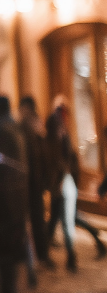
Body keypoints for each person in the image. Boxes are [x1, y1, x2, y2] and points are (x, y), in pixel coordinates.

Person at [46, 99, 105, 271]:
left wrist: (62, 180)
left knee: (67, 220)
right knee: (65, 218)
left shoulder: (60, 137)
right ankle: (49, 253)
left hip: (63, 184)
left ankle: (69, 255)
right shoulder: (62, 135)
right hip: (63, 184)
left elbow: (65, 162)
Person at [0, 96, 29, 293]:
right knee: (9, 274)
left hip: (4, 207)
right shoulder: (15, 128)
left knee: (4, 275)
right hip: (17, 203)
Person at [18, 96, 55, 271]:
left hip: (29, 181)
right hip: (35, 181)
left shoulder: (26, 128)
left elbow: (36, 156)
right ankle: (40, 255)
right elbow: (45, 156)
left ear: (26, 108)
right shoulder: (37, 126)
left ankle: (33, 256)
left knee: (31, 220)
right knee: (36, 220)